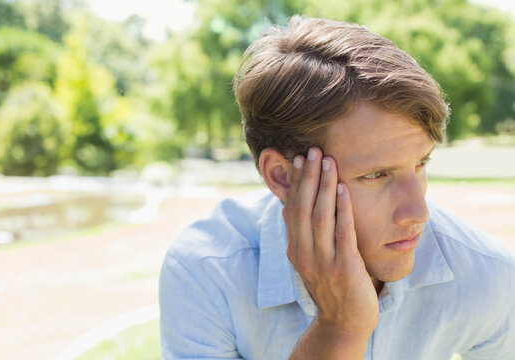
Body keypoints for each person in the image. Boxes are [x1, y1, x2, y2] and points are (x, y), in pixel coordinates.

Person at [159, 15, 515, 359]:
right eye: (376, 175)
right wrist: (340, 326)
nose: (418, 212)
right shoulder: (207, 272)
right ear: (282, 176)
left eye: (421, 164)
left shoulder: (485, 273)